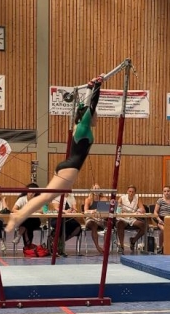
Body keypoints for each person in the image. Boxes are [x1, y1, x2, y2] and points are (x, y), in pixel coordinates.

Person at [6, 76, 104, 239]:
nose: (97, 118)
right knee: (46, 196)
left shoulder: (79, 126)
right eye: (94, 115)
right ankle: (19, 216)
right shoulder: (83, 127)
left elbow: (87, 107)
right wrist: (98, 86)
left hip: (68, 166)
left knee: (47, 196)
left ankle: (19, 216)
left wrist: (90, 87)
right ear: (87, 116)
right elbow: (91, 106)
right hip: (70, 168)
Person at [11, 185, 46, 257]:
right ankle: (28, 247)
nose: (31, 193)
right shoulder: (22, 199)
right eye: (30, 191)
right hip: (24, 220)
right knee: (27, 227)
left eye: (33, 192)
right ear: (27, 191)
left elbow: (43, 210)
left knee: (27, 223)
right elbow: (13, 209)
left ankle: (19, 235)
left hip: (35, 221)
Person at [49, 192, 82, 258]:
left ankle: (60, 242)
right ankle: (57, 243)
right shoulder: (57, 196)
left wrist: (73, 210)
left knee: (77, 227)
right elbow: (56, 208)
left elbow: (74, 208)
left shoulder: (71, 197)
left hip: (68, 218)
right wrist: (64, 211)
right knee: (61, 225)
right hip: (57, 218)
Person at [115, 185, 147, 252]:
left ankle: (133, 240)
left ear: (135, 192)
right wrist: (119, 207)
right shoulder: (122, 198)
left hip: (132, 218)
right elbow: (118, 211)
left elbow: (142, 209)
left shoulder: (137, 198)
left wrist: (139, 210)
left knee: (144, 226)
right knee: (119, 223)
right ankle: (121, 246)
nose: (131, 193)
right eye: (129, 191)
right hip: (123, 218)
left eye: (133, 192)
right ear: (127, 191)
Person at [83, 183, 110, 255]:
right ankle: (97, 246)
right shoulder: (88, 199)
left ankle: (105, 247)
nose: (96, 190)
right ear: (92, 190)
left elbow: (107, 211)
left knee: (108, 226)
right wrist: (93, 211)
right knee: (93, 225)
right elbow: (85, 211)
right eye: (95, 188)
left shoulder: (104, 199)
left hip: (101, 219)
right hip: (91, 219)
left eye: (98, 189)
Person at [153, 186, 170, 253]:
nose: (166, 193)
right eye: (165, 191)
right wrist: (158, 219)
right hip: (161, 219)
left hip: (169, 219)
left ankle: (169, 246)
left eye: (168, 191)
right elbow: (155, 212)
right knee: (164, 230)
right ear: (163, 192)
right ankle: (161, 247)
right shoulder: (160, 200)